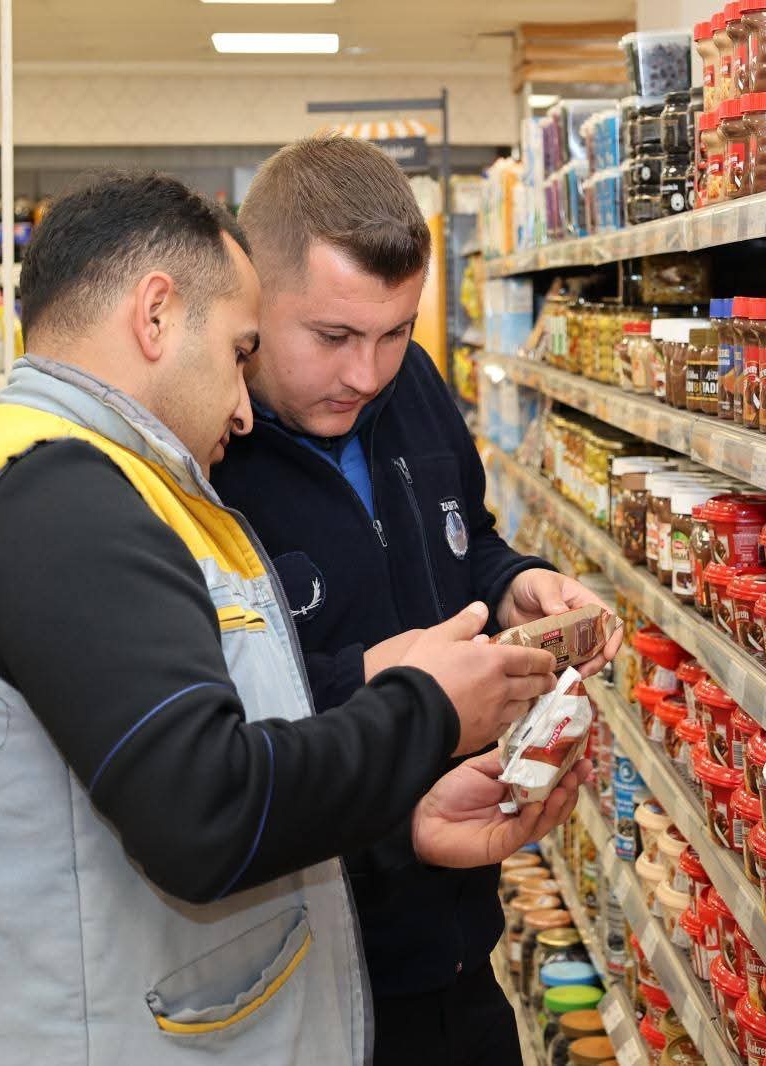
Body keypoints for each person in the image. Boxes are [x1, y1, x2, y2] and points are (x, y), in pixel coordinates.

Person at [0, 171, 584, 1066]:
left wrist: (414, 815)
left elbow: (146, 781)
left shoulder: (27, 468)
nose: (243, 407)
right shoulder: (64, 501)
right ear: (156, 315)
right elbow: (206, 810)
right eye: (242, 351)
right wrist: (424, 708)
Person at [212, 135, 622, 1066]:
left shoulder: (413, 389)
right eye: (333, 338)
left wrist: (513, 583)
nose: (366, 374)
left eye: (395, 331)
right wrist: (383, 677)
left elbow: (461, 538)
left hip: (454, 930)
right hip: (293, 970)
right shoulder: (202, 454)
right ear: (252, 302)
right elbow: (207, 728)